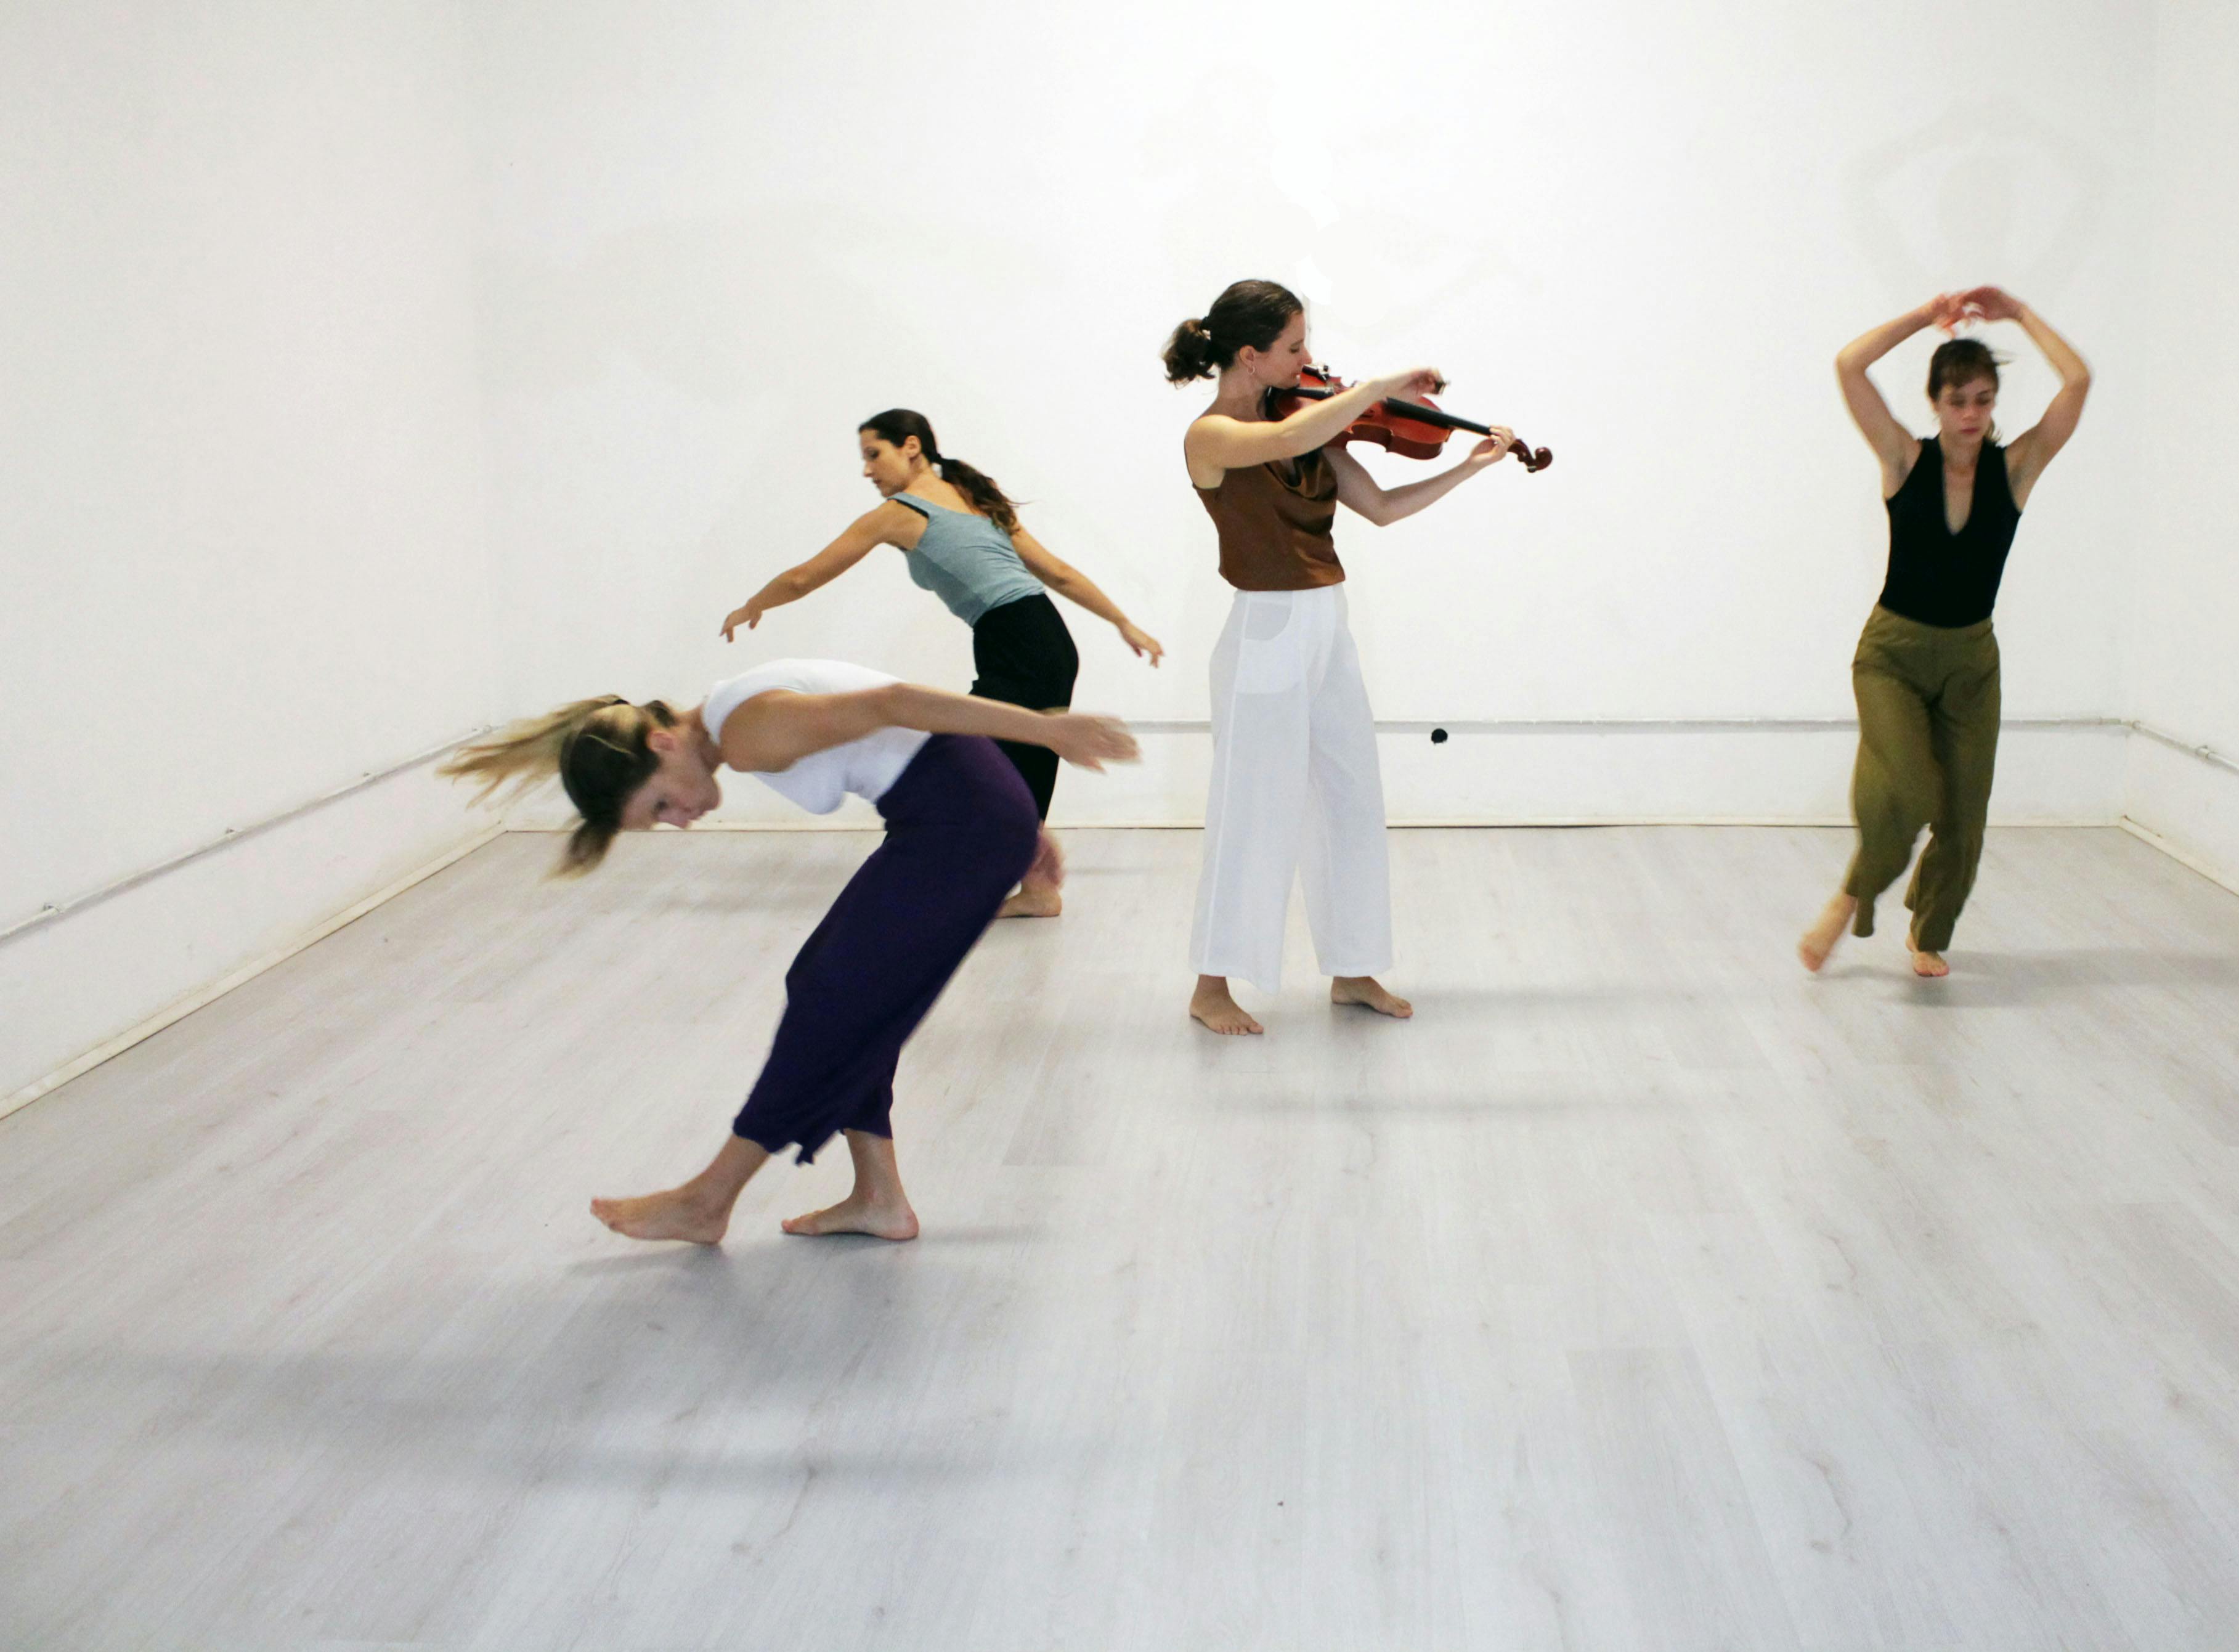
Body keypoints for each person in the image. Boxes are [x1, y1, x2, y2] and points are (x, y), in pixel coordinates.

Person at [439, 660, 1137, 1243]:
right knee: (827, 982)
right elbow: (901, 720)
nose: (679, 822)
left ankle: (708, 1198)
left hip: (961, 824)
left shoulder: (747, 731)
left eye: (660, 807)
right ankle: (879, 1197)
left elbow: (897, 700)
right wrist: (1020, 811)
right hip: (961, 813)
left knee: (837, 999)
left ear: (661, 746)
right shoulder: (730, 716)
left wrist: (1048, 733)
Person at [1163, 279, 1519, 1035]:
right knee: (1253, 810)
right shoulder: (1212, 435)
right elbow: (1286, 442)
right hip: (1265, 629)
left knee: (1350, 795)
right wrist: (1380, 387)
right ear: (1251, 356)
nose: (1310, 358)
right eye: (1294, 347)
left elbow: (1384, 510)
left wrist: (1468, 467)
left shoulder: (1309, 423)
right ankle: (1211, 985)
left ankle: (1353, 968)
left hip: (1327, 622)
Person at [720, 410, 1164, 916]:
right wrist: (1123, 622)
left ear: (911, 447)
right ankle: (1034, 888)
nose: (868, 470)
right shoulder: (975, 498)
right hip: (1040, 636)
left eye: (874, 454)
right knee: (1015, 756)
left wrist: (755, 603)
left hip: (1018, 641)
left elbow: (805, 576)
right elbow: (1057, 574)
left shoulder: (900, 512)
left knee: (965, 756)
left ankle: (973, 880)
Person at [1798, 286, 2091, 978]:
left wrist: (2020, 312)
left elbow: (2078, 380)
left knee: (1964, 811)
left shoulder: (2015, 470)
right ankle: (1850, 899)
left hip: (1971, 660)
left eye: (1983, 400)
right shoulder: (1904, 460)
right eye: (1957, 400)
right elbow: (1849, 365)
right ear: (1935, 402)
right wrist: (1924, 319)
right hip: (1892, 655)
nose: (1971, 414)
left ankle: (1929, 931)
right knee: (1907, 789)